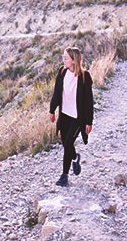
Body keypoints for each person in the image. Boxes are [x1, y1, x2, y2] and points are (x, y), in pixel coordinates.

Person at [49, 46, 94, 187]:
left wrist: (88, 121)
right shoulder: (62, 72)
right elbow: (57, 93)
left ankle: (64, 175)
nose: (63, 60)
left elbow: (88, 102)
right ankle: (75, 157)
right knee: (65, 143)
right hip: (64, 115)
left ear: (74, 60)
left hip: (77, 118)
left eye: (66, 58)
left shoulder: (85, 77)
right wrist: (52, 110)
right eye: (63, 57)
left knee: (68, 143)